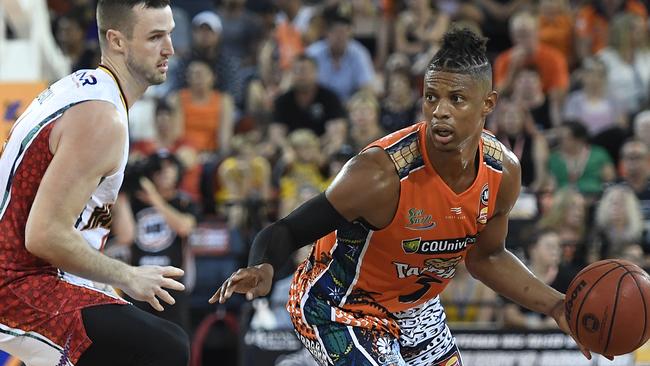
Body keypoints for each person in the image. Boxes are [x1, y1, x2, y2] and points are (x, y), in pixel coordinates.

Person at [212, 28, 600, 365]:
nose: (440, 112)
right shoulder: (379, 174)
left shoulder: (504, 171)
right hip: (339, 304)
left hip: (416, 308)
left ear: (488, 104)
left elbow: (488, 256)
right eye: (431, 97)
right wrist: (261, 266)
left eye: (456, 100)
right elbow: (288, 229)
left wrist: (554, 304)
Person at [0, 1, 189, 365]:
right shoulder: (102, 119)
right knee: (164, 347)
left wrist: (100, 282)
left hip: (33, 274)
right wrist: (128, 275)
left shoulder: (87, 90)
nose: (170, 49)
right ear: (117, 41)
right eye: (155, 37)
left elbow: (71, 221)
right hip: (16, 284)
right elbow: (43, 234)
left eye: (169, 34)